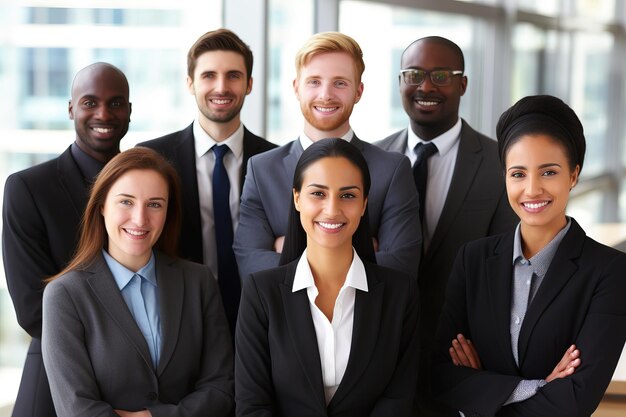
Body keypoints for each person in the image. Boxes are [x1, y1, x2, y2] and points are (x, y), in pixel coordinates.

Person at [431, 95, 626, 416]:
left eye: (548, 172)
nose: (532, 189)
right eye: (518, 174)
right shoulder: (473, 260)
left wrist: (483, 387)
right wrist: (538, 387)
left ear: (574, 175)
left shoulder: (609, 271)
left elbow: (577, 399)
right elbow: (441, 376)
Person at [375, 36, 518, 416]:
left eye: (440, 75)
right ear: (400, 81)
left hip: (462, 354)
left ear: (463, 84)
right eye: (414, 74)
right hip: (378, 349)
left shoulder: (500, 163)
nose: (425, 86)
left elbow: (507, 267)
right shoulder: (368, 160)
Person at [41, 147, 234, 417]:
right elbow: (77, 408)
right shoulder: (65, 295)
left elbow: (222, 388)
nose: (140, 219)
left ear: (168, 212)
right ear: (101, 207)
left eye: (155, 204)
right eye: (126, 202)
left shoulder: (199, 282)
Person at [235, 138, 419, 416]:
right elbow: (253, 406)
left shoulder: (399, 293)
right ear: (297, 198)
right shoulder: (261, 293)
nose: (332, 209)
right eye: (318, 194)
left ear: (364, 203)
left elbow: (398, 400)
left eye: (348, 195)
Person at [234, 31, 421, 281]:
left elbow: (399, 266)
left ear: (358, 91)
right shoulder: (262, 169)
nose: (326, 95)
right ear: (296, 88)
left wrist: (287, 247)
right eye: (314, 82)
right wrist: (361, 250)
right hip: (286, 320)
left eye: (340, 83)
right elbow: (250, 266)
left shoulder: (392, 169)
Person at [2, 62, 131, 417]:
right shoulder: (27, 188)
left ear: (130, 111)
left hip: (140, 388)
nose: (103, 113)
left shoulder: (148, 188)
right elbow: (32, 309)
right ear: (71, 108)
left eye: (116, 103)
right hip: (55, 383)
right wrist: (125, 348)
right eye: (90, 102)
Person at [139, 29, 277, 334]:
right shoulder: (151, 158)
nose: (221, 87)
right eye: (208, 76)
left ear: (249, 84)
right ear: (190, 83)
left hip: (259, 321)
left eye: (233, 76)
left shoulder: (278, 162)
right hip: (175, 320)